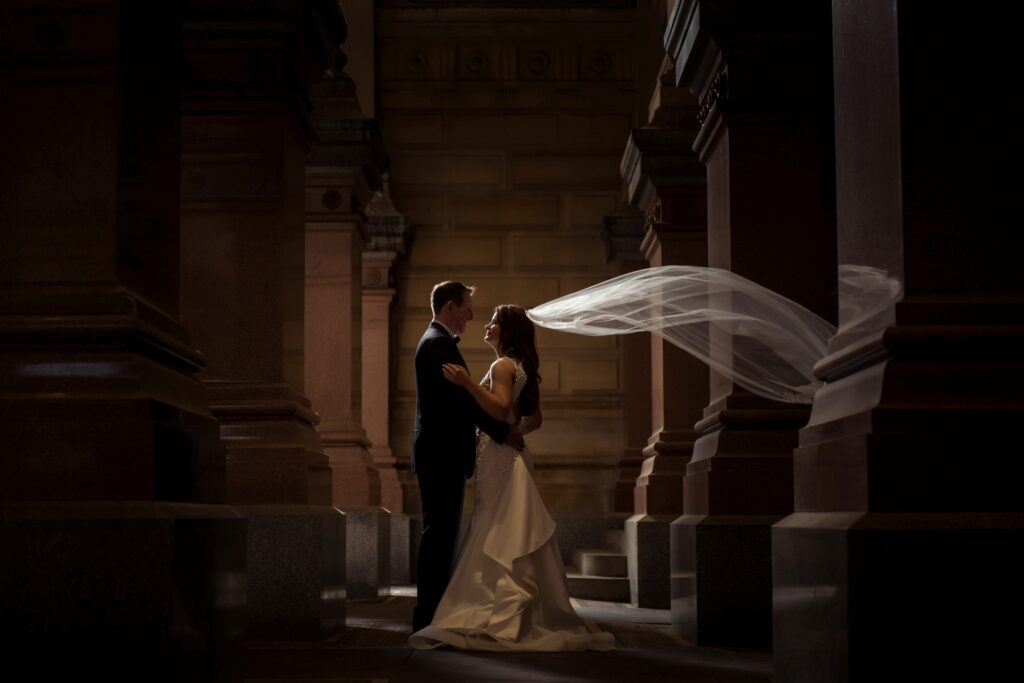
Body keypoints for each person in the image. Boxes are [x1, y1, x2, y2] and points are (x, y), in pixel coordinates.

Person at [409, 304, 615, 651]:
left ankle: (491, 610)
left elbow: (500, 407)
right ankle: (511, 608)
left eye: (494, 322)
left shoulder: (502, 365)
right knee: (506, 526)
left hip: (499, 457)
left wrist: (468, 384)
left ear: (507, 331)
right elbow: (535, 420)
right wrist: (513, 433)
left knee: (495, 524)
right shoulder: (520, 367)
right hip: (509, 455)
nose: (487, 326)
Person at [411, 282, 524, 633]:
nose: (471, 315)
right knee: (439, 538)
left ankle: (431, 615)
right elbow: (460, 403)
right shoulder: (438, 344)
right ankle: (428, 618)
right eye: (467, 307)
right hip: (441, 456)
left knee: (442, 537)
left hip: (440, 455)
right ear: (448, 307)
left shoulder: (434, 340)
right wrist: (503, 433)